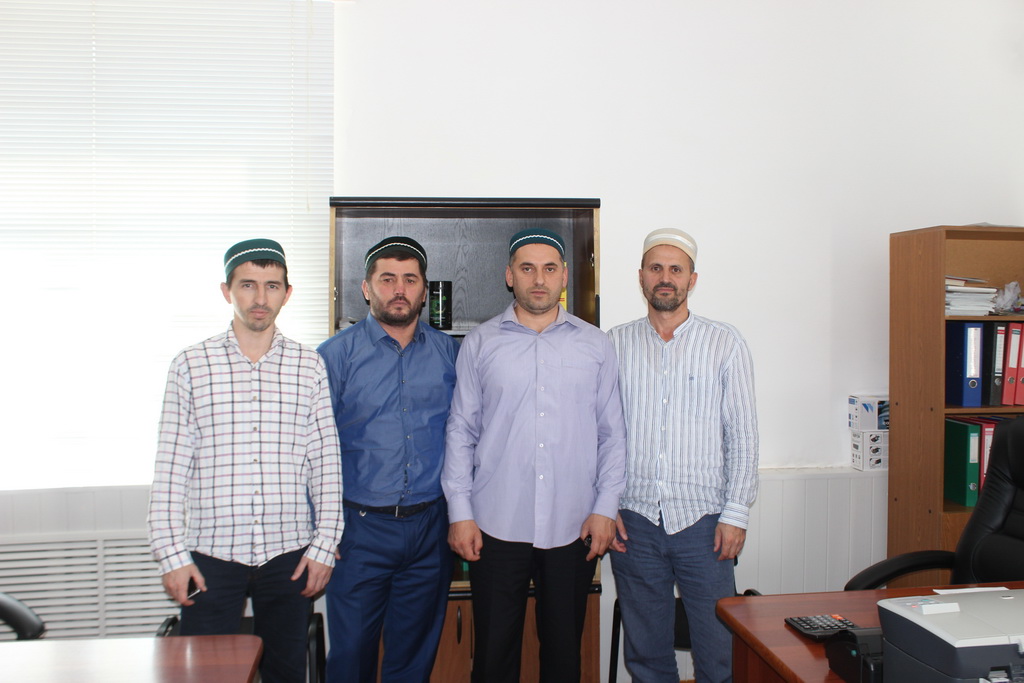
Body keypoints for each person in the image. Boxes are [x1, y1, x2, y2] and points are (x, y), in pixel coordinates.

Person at [147, 238, 343, 683]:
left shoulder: (308, 366)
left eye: (272, 286)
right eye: (248, 285)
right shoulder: (191, 365)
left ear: (287, 294)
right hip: (211, 555)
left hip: (289, 553)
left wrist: (324, 546)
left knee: (286, 672)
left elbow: (326, 463)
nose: (260, 298)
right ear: (227, 291)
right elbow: (170, 470)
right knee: (208, 675)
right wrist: (171, 556)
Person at [442, 228, 627, 683]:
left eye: (549, 269)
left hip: (573, 524)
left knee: (564, 655)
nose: (538, 279)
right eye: (527, 268)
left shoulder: (596, 345)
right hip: (495, 523)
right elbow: (461, 431)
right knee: (493, 656)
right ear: (510, 276)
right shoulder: (480, 343)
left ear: (564, 276)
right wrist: (460, 513)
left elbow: (613, 435)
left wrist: (606, 508)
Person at [608, 228, 759, 683]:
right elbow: (599, 434)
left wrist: (736, 514)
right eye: (656, 268)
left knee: (719, 653)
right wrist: (604, 507)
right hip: (633, 522)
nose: (665, 277)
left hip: (705, 524)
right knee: (647, 656)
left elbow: (743, 436)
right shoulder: (613, 344)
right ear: (641, 276)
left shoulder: (724, 343)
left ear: (692, 280)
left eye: (676, 269)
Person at [317, 236, 459, 683]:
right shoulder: (333, 356)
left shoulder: (451, 354)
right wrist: (320, 530)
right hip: (359, 531)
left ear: (424, 290)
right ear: (366, 288)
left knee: (413, 658)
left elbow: (467, 436)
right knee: (351, 655)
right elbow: (312, 449)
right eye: (387, 279)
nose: (399, 289)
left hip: (430, 528)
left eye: (410, 280)